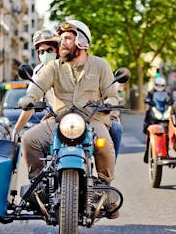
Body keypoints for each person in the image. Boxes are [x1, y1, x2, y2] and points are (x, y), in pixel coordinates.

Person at [18, 20, 119, 217]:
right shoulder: (54, 67)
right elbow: (37, 87)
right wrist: (29, 99)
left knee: (104, 142)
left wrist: (110, 102)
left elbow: (111, 94)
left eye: (67, 39)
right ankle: (38, 185)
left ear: (81, 41)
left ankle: (104, 188)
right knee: (29, 139)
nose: (62, 43)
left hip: (92, 119)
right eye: (62, 38)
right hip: (59, 120)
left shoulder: (100, 65)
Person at [12, 28, 60, 137]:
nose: (45, 54)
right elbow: (32, 101)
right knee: (28, 140)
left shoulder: (70, 66)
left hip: (79, 118)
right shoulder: (39, 71)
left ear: (58, 50)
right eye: (41, 52)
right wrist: (16, 131)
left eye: (49, 50)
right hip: (56, 119)